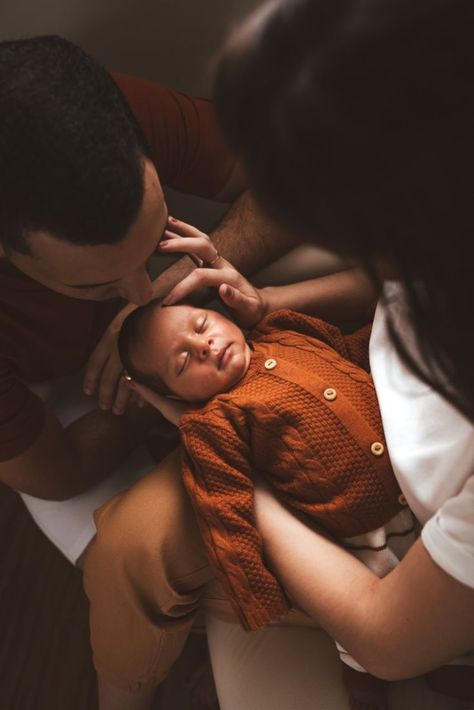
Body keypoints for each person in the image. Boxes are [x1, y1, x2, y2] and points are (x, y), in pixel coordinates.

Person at [181, 0, 473, 707]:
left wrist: (247, 488)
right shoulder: (440, 224)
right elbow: (403, 279)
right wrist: (274, 303)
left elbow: (388, 640)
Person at [0, 34, 300, 709]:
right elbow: (54, 473)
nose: (142, 294)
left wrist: (182, 286)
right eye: (97, 283)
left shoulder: (91, 118)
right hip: (49, 400)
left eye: (154, 234)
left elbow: (292, 170)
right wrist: (144, 389)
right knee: (133, 561)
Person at [118, 260, 418, 708]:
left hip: (414, 479)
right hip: (358, 535)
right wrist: (257, 592)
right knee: (380, 630)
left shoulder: (281, 329)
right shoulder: (214, 422)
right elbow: (225, 507)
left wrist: (395, 327)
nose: (204, 346)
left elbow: (349, 351)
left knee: (446, 590)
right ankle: (364, 683)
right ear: (177, 396)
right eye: (183, 361)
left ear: (221, 314)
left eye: (201, 326)